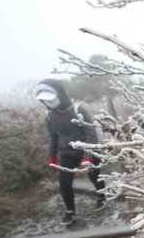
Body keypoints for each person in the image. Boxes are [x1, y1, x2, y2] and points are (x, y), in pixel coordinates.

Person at [36, 79, 106, 226]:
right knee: (64, 183)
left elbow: (90, 134)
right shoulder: (49, 115)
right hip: (67, 152)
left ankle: (102, 197)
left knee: (95, 176)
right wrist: (52, 156)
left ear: (60, 95)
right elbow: (53, 136)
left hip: (87, 149)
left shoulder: (78, 110)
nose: (49, 103)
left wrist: (88, 157)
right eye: (45, 101)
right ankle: (70, 211)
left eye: (51, 99)